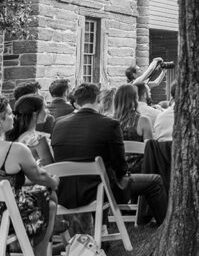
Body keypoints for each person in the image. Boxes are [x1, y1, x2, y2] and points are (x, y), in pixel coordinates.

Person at [51, 82, 168, 226]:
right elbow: (120, 166)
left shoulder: (58, 124)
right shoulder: (109, 124)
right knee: (155, 181)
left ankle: (103, 228)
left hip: (64, 192)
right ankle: (164, 225)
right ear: (98, 99)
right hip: (100, 190)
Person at [0, 96, 59, 256]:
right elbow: (40, 175)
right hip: (7, 213)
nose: (14, 117)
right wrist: (53, 182)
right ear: (1, 118)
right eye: (10, 114)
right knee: (49, 203)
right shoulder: (15, 149)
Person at [111, 83, 153, 172]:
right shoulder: (143, 121)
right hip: (139, 171)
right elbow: (149, 151)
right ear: (135, 99)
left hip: (116, 172)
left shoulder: (108, 121)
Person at [6, 94, 55, 165]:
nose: (48, 111)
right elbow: (50, 168)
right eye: (45, 108)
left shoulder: (13, 135)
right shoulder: (37, 139)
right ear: (34, 113)